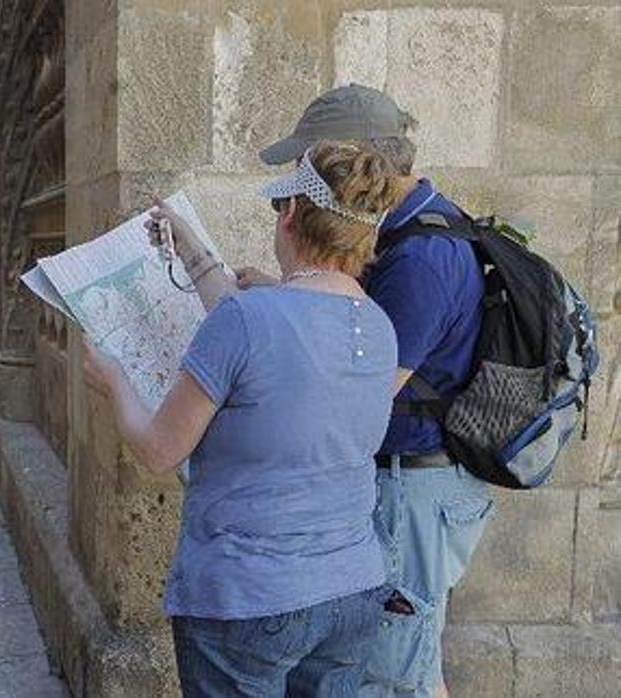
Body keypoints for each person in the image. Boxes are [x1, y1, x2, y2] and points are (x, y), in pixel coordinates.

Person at [85, 141, 402, 698]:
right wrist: (195, 252)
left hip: (249, 597)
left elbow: (161, 450)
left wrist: (113, 380)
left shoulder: (250, 317)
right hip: (351, 590)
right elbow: (261, 330)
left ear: (290, 215)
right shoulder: (378, 326)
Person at [250, 84, 492, 698]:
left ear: (358, 160)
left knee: (390, 675)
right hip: (405, 482)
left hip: (408, 489)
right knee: (408, 667)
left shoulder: (422, 258)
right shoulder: (405, 232)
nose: (304, 181)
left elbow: (361, 393)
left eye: (308, 165)